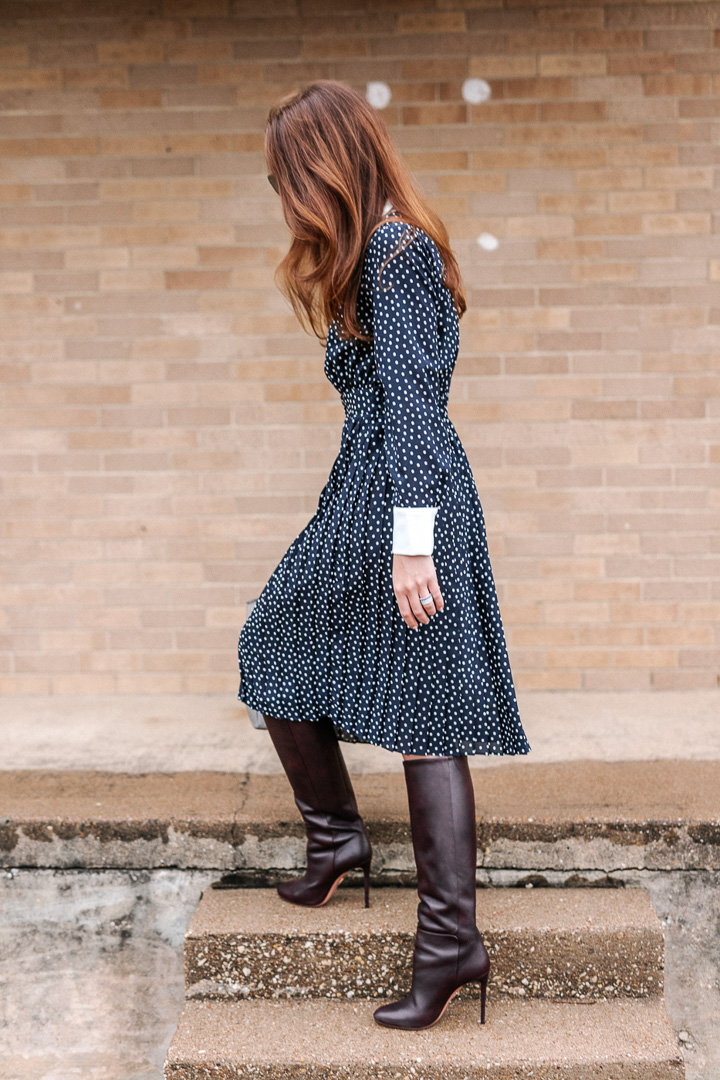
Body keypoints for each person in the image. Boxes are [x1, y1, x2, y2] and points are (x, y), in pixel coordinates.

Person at [237, 79, 532, 1031]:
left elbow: (411, 406)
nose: (285, 200)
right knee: (274, 644)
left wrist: (414, 547)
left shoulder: (398, 251)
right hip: (369, 492)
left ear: (326, 166)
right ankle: (337, 842)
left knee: (424, 706)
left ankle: (450, 943)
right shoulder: (376, 253)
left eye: (288, 179)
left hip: (407, 499)